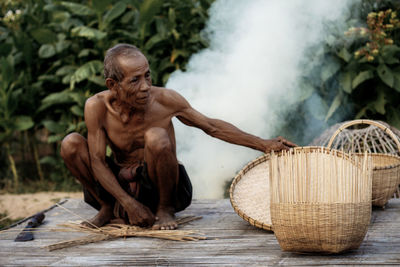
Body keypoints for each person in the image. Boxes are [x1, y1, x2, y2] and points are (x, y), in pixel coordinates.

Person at [60, 44, 296, 230]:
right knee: (71, 143)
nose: (145, 86)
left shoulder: (165, 100)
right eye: (135, 80)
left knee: (156, 136)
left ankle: (165, 209)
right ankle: (107, 207)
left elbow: (211, 126)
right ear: (113, 85)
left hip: (161, 186)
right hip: (117, 186)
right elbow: (98, 161)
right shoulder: (97, 107)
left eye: (147, 76)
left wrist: (264, 144)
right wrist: (127, 202)